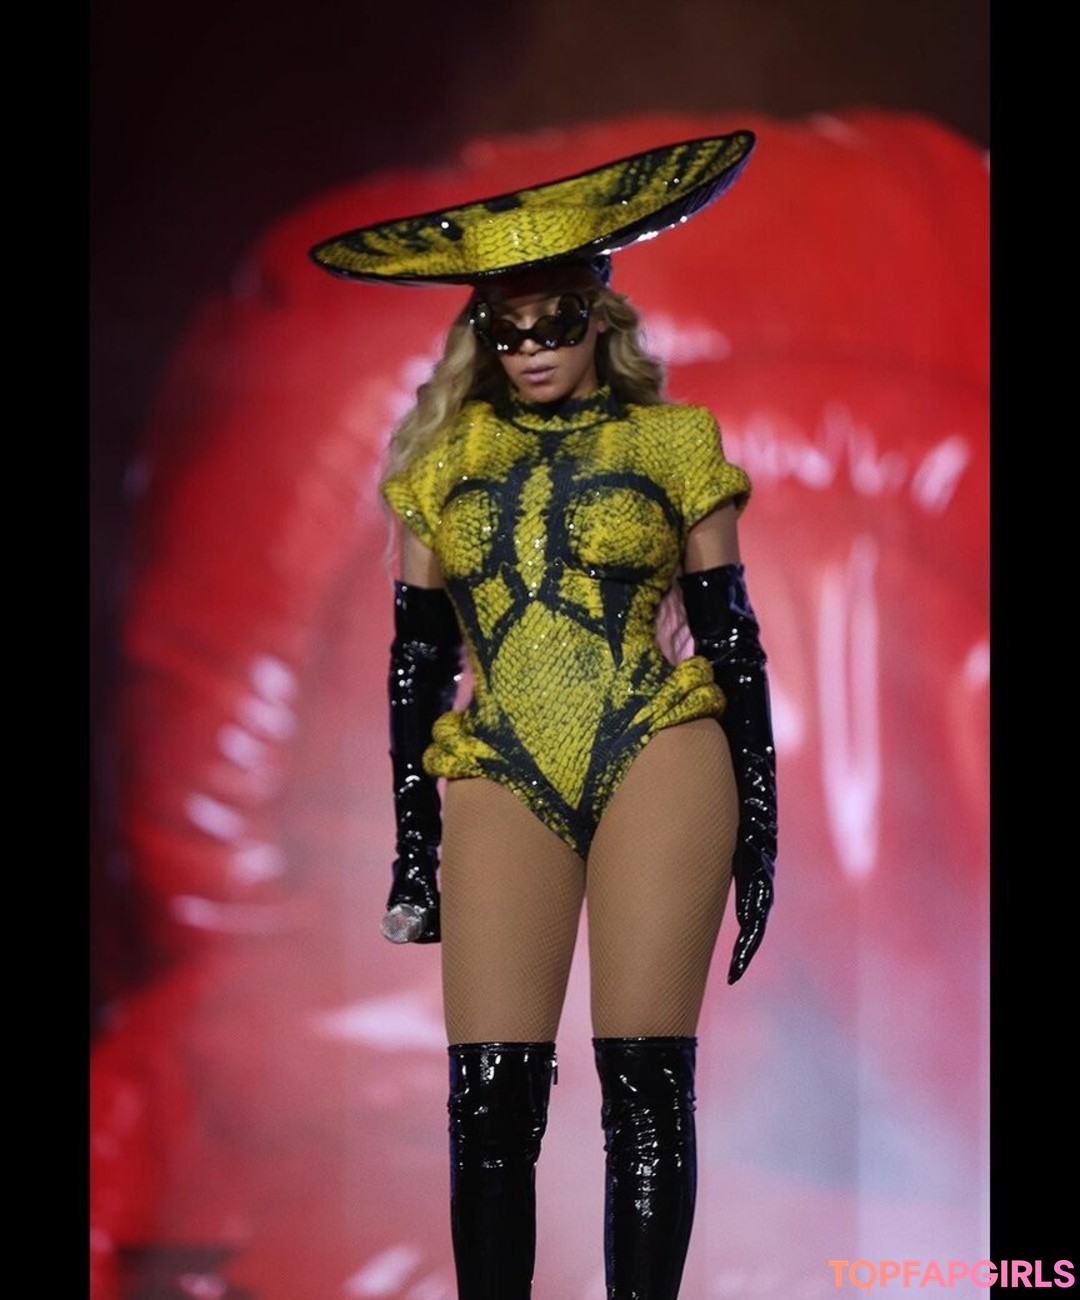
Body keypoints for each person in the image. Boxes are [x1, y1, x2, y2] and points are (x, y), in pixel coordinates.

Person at [309, 130, 777, 1300]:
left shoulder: (673, 442)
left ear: (599, 319)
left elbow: (731, 640)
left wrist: (761, 827)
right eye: (505, 330)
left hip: (656, 739)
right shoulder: (440, 462)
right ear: (480, 335)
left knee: (645, 1082)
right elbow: (417, 668)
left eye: (554, 323)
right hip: (502, 757)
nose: (530, 349)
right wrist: (413, 844)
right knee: (490, 1094)